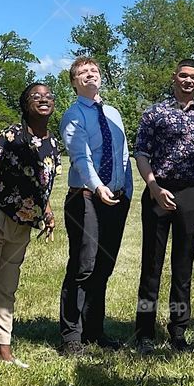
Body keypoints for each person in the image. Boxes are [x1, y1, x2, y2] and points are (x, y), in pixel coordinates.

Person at [0, 82, 60, 374]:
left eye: (48, 96)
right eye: (35, 96)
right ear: (25, 104)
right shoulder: (11, 135)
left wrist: (48, 211)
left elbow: (40, 182)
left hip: (23, 225)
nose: (43, 100)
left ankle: (3, 350)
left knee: (7, 288)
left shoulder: (52, 143)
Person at [133, 59, 194, 352]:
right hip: (158, 189)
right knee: (151, 266)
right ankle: (144, 331)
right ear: (174, 78)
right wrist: (154, 187)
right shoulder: (155, 113)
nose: (188, 81)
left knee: (183, 266)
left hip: (190, 194)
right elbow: (141, 153)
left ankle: (179, 330)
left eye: (193, 77)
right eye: (183, 76)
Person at [58, 56, 133, 355]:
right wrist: (98, 186)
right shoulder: (73, 115)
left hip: (115, 198)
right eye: (83, 72)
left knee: (104, 266)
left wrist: (125, 189)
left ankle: (94, 330)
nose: (90, 75)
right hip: (86, 197)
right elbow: (80, 157)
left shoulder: (113, 113)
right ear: (74, 82)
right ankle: (70, 337)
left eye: (94, 71)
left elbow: (123, 153)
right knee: (83, 266)